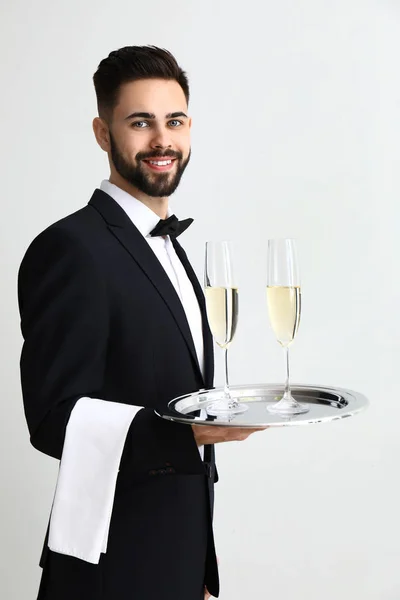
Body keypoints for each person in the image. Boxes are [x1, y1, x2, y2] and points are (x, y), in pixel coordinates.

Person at [18, 45, 263, 600]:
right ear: (103, 134)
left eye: (173, 121)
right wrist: (189, 434)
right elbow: (54, 416)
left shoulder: (170, 247)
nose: (161, 141)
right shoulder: (70, 249)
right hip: (113, 566)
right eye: (140, 122)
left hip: (176, 556)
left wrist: (198, 567)